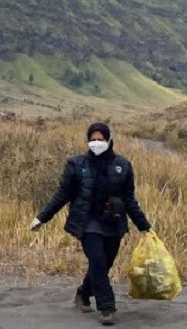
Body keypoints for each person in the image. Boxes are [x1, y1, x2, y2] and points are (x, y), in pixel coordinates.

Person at [30, 122, 152, 326]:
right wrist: (42, 217)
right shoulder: (76, 165)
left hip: (113, 222)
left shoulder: (123, 165)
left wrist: (144, 226)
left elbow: (129, 199)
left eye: (100, 139)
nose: (96, 143)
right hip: (87, 222)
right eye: (93, 140)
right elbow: (63, 195)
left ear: (109, 140)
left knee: (105, 264)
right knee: (97, 260)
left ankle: (83, 293)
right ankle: (107, 307)